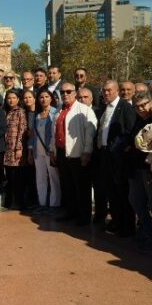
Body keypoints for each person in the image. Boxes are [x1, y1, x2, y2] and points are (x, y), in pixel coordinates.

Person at [49, 82, 97, 225]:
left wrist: (87, 151)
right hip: (62, 152)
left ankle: (84, 216)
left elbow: (90, 133)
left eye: (68, 91)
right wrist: (52, 150)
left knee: (81, 186)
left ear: (75, 93)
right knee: (67, 185)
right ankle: (71, 212)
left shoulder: (84, 110)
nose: (65, 94)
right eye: (62, 92)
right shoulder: (58, 110)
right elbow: (54, 133)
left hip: (78, 153)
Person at [95, 80, 137, 236]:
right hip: (105, 155)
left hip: (119, 157)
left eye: (109, 90)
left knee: (122, 191)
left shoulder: (125, 108)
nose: (106, 93)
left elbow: (130, 131)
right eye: (104, 90)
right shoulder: (105, 108)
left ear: (117, 91)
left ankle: (127, 226)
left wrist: (121, 148)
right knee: (110, 190)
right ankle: (116, 221)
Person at [126, 92, 152, 245]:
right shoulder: (137, 121)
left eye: (144, 104)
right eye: (137, 106)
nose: (141, 109)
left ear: (151, 103)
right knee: (135, 200)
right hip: (135, 168)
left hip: (149, 169)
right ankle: (146, 230)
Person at [31, 89, 60, 214]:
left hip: (50, 150)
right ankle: (42, 203)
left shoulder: (55, 113)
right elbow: (33, 135)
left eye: (46, 96)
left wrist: (54, 149)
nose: (44, 99)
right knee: (40, 178)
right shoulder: (36, 115)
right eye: (41, 97)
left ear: (51, 98)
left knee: (53, 178)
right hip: (38, 151)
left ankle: (54, 205)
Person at [2, 90, 28, 210]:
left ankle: (19, 202)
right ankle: (9, 201)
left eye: (13, 98)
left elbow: (22, 130)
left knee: (17, 177)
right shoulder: (5, 112)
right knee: (9, 176)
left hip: (15, 148)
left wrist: (19, 148)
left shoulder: (20, 112)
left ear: (18, 99)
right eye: (9, 98)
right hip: (6, 149)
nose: (11, 100)